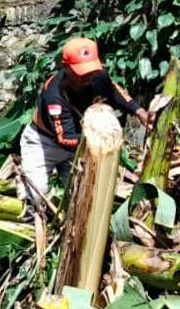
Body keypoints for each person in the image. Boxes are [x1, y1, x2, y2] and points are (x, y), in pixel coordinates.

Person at [19, 36, 153, 213]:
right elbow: (64, 138)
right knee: (37, 195)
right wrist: (101, 138)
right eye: (81, 72)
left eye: (91, 70)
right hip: (44, 144)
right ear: (66, 67)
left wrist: (139, 112)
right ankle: (31, 229)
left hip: (80, 144)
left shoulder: (97, 76)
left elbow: (115, 93)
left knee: (82, 195)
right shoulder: (54, 94)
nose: (87, 77)